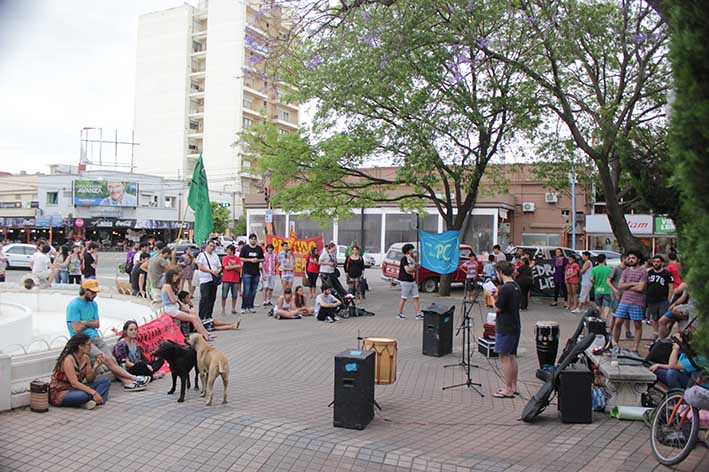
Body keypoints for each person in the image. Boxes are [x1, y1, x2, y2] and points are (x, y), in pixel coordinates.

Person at [66, 280, 149, 390]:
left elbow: (97, 324)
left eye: (96, 292)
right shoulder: (74, 305)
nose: (95, 295)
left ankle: (127, 382)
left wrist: (85, 322)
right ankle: (135, 379)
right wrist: (89, 323)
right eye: (92, 292)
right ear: (85, 291)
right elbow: (76, 329)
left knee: (112, 360)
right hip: (82, 340)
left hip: (95, 337)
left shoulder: (93, 304)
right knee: (108, 360)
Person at [49, 333, 112, 409]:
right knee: (83, 395)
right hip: (61, 391)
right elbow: (74, 383)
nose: (90, 348)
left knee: (105, 381)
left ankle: (89, 402)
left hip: (76, 389)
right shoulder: (68, 360)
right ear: (80, 347)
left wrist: (95, 367)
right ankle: (91, 400)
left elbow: (89, 379)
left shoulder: (85, 358)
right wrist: (93, 392)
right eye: (88, 345)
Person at [491, 261, 521, 398]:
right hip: (515, 324)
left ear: (501, 272)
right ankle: (513, 386)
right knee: (512, 356)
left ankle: (508, 388)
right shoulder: (516, 286)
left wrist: (492, 297)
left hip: (505, 326)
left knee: (504, 357)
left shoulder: (505, 288)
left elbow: (498, 308)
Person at [162, 268, 214, 341]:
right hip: (171, 309)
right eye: (174, 277)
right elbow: (173, 300)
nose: (176, 278)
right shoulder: (167, 286)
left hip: (175, 307)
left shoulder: (171, 286)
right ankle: (204, 336)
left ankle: (206, 333)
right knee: (192, 318)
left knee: (193, 313)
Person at [612, 250, 647, 354]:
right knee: (618, 323)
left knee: (637, 325)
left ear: (638, 259)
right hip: (624, 300)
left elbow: (641, 288)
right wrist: (633, 284)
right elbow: (620, 285)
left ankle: (635, 348)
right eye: (629, 258)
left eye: (633, 258)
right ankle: (615, 345)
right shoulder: (626, 271)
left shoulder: (643, 272)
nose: (631, 260)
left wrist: (628, 285)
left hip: (637, 302)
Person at [646, 255, 674, 337]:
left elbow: (671, 287)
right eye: (654, 262)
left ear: (662, 263)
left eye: (658, 262)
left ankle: (663, 337)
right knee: (654, 319)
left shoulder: (666, 273)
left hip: (663, 300)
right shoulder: (649, 273)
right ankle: (656, 336)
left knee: (663, 320)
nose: (656, 263)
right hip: (651, 300)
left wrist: (669, 300)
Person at [196, 240, 222, 321]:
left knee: (212, 298)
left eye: (213, 246)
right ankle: (201, 316)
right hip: (205, 279)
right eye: (211, 246)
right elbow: (200, 266)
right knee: (204, 297)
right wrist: (210, 271)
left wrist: (218, 271)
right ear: (207, 246)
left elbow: (219, 266)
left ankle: (208, 315)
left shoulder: (215, 256)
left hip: (213, 279)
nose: (212, 248)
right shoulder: (202, 255)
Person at [607, 254, 632, 340]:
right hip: (616, 295)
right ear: (623, 259)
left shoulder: (629, 270)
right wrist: (615, 290)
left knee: (626, 315)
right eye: (628, 258)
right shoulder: (616, 269)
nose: (630, 260)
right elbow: (608, 281)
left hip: (626, 295)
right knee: (615, 314)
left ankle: (627, 331)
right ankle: (610, 331)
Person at [397, 243, 423, 320]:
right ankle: (400, 313)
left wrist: (413, 261)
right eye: (411, 250)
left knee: (416, 297)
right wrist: (414, 269)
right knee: (404, 297)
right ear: (408, 251)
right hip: (405, 281)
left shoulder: (412, 258)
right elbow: (407, 270)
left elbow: (418, 266)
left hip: (412, 281)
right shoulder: (404, 259)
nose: (413, 251)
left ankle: (418, 314)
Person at [239, 233, 264, 313]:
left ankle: (251, 306)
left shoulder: (259, 249)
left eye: (254, 239)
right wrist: (250, 260)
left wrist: (257, 260)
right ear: (249, 240)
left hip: (256, 272)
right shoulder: (245, 248)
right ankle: (244, 307)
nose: (253, 240)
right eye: (252, 239)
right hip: (247, 272)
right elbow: (241, 258)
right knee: (246, 290)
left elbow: (262, 259)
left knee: (253, 290)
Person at [590, 253, 613, 320]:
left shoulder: (594, 269)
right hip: (606, 289)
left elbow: (591, 279)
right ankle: (605, 318)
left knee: (598, 305)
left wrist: (594, 283)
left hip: (597, 289)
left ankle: (599, 317)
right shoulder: (609, 269)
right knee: (607, 305)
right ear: (604, 260)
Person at [221, 245, 242, 315]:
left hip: (235, 279)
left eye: (228, 249)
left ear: (232, 250)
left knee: (235, 295)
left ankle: (233, 308)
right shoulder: (225, 258)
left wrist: (232, 266)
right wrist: (235, 266)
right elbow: (226, 268)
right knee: (224, 295)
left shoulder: (237, 258)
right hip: (226, 279)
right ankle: (223, 309)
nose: (227, 251)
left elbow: (239, 269)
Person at [261, 243, 278, 308]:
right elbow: (262, 264)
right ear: (267, 249)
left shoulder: (274, 255)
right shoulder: (264, 255)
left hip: (272, 273)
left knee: (271, 287)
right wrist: (263, 273)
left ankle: (269, 300)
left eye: (271, 248)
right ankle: (264, 301)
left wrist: (275, 268)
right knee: (265, 287)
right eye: (268, 248)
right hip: (266, 273)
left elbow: (277, 262)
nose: (270, 249)